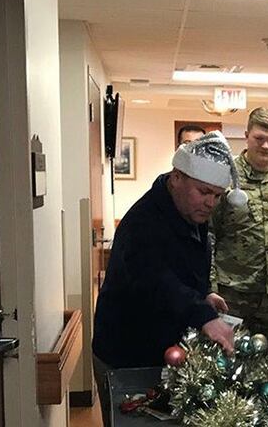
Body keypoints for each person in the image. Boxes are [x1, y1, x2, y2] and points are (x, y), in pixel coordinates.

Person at [92, 131, 241, 426]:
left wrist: (203, 295)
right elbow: (155, 280)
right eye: (203, 192)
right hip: (127, 356)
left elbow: (180, 272)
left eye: (217, 195)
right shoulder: (143, 222)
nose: (210, 203)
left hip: (163, 351)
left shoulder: (189, 212)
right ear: (176, 178)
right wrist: (202, 315)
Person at [209, 107, 268, 340]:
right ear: (246, 135)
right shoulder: (225, 178)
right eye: (259, 138)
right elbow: (207, 235)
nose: (266, 146)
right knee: (226, 365)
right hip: (231, 293)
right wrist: (209, 287)